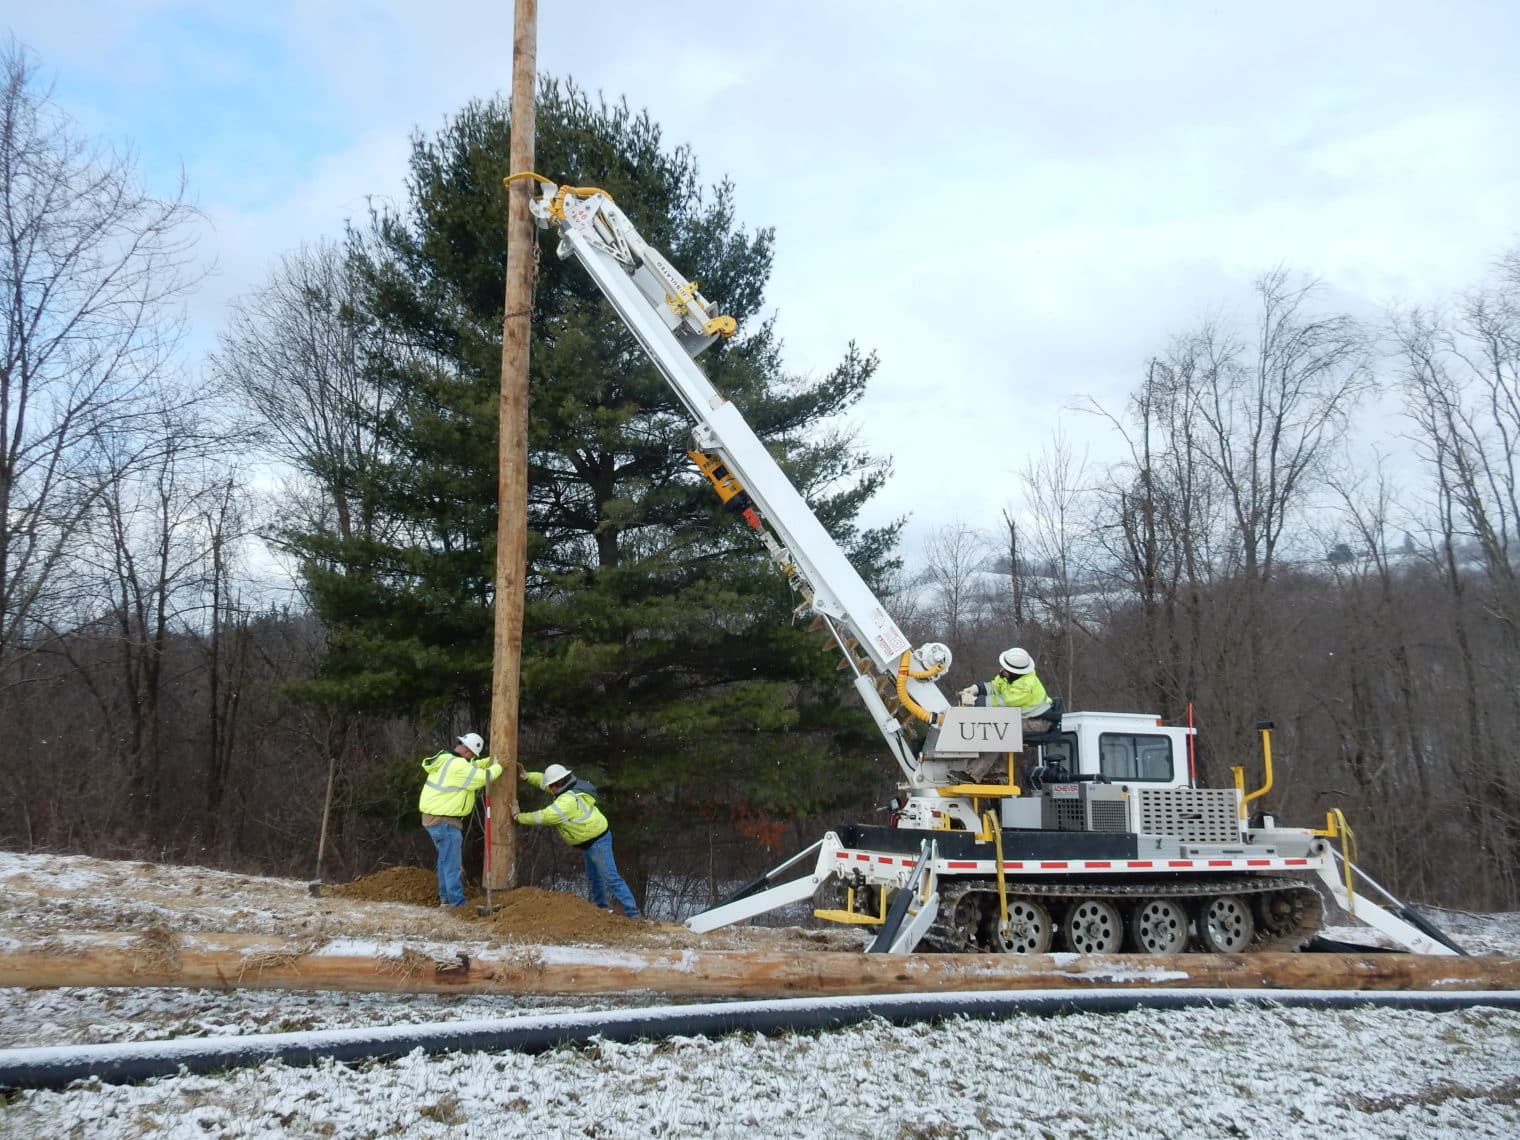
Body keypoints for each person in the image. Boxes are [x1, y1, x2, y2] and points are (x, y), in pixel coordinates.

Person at [514, 763, 642, 919]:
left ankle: (633, 915)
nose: (549, 788)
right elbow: (544, 781)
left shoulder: (566, 802)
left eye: (551, 786)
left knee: (611, 878)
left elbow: (544, 816)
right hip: (590, 841)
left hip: (597, 841)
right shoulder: (568, 786)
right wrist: (527, 777)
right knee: (594, 877)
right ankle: (602, 909)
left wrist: (518, 817)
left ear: (557, 784)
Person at [417, 732, 502, 908]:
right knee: (452, 865)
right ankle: (457, 904)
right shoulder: (458, 766)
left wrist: (486, 762)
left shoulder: (448, 759)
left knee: (444, 860)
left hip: (434, 819)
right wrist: (498, 767)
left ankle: (446, 899)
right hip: (444, 821)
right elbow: (483, 777)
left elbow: (470, 768)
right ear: (467, 752)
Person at [958, 647, 1055, 736]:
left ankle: (992, 755)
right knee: (995, 725)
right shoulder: (1009, 677)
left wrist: (975, 701)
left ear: (1014, 672)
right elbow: (994, 687)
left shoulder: (1025, 684)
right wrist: (976, 689)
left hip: (1039, 722)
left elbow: (1005, 702)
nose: (1001, 669)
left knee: (995, 727)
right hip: (1028, 718)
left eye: (1005, 668)